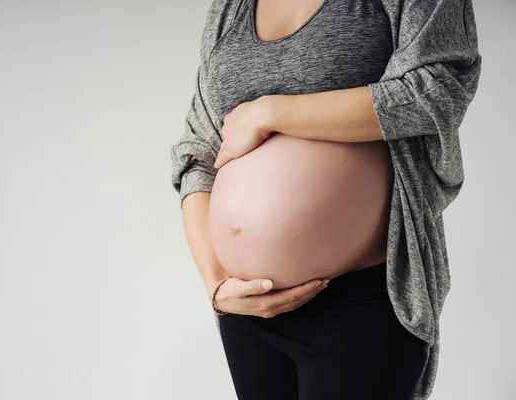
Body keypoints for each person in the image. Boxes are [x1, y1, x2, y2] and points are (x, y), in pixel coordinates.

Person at [169, 0, 482, 399]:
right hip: (247, 312)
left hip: (359, 302)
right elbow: (197, 152)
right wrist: (217, 286)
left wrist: (270, 113)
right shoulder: (232, 7)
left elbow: (438, 88)